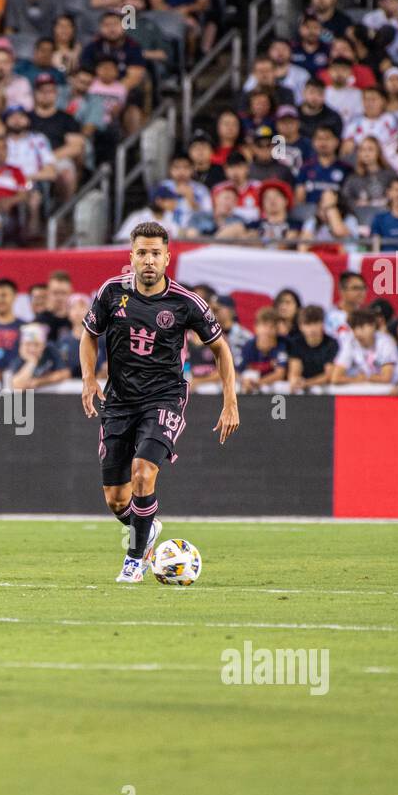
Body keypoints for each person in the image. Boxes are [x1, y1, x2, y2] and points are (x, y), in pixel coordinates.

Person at [80, 221, 238, 584]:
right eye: (141, 253)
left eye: (155, 253)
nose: (148, 260)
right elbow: (88, 335)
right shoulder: (110, 293)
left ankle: (134, 560)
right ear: (131, 257)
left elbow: (220, 349)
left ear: (168, 257)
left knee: (143, 471)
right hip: (119, 401)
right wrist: (89, 379)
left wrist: (230, 401)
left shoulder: (186, 303)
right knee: (117, 500)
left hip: (164, 398)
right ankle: (145, 529)